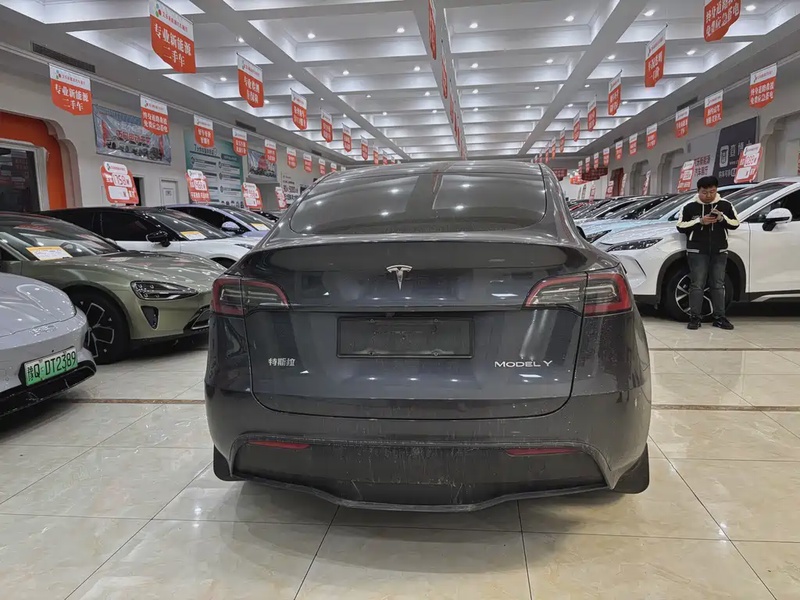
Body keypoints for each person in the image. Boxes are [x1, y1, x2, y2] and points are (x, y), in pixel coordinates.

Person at [676, 175, 740, 330]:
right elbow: (680, 226)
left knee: (718, 284)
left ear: (716, 190)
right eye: (705, 192)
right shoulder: (689, 206)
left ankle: (720, 317)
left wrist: (722, 218)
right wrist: (700, 221)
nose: (708, 195)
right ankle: (694, 318)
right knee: (697, 284)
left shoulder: (725, 205)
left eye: (712, 191)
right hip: (697, 250)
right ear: (698, 191)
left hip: (719, 250)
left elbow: (735, 223)